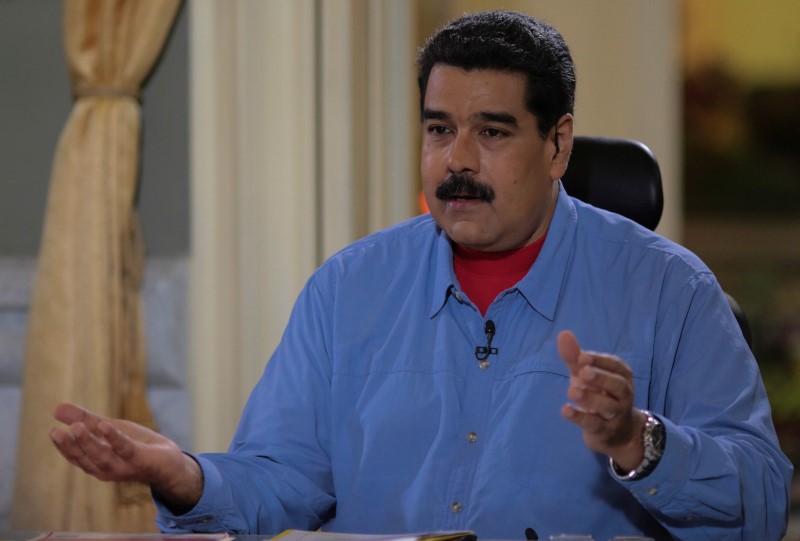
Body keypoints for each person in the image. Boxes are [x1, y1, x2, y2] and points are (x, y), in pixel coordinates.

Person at [49, 10, 792, 541]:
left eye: (492, 132)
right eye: (439, 129)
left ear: (558, 144)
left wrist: (639, 440)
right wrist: (182, 474)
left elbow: (761, 505)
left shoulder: (671, 289)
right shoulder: (349, 287)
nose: (456, 161)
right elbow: (281, 480)